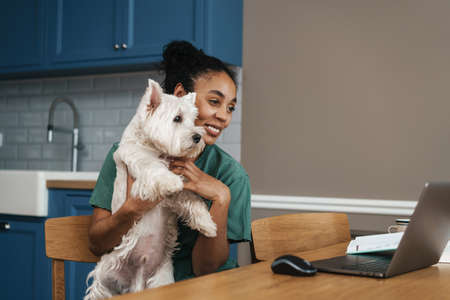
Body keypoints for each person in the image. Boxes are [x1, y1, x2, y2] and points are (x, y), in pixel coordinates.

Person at [87, 40, 251, 281]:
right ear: (182, 96)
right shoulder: (125, 154)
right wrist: (134, 208)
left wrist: (221, 198)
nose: (224, 117)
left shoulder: (230, 174)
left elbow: (206, 269)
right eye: (214, 102)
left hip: (203, 290)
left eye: (231, 107)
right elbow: (97, 244)